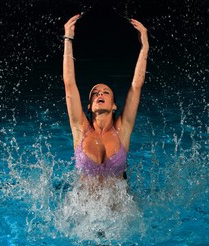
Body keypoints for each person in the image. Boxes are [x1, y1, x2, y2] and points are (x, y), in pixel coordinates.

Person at [63, 14, 149, 182]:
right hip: (82, 208)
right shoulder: (80, 128)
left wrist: (144, 46)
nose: (100, 94)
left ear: (114, 106)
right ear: (89, 106)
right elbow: (69, 84)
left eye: (105, 92)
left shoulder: (122, 130)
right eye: (95, 93)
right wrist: (68, 38)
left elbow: (136, 86)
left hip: (120, 208)